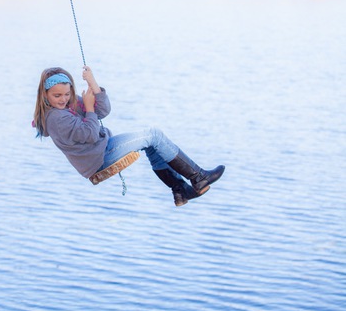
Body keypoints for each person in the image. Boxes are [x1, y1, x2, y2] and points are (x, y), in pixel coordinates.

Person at [33, 66, 225, 206]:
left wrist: (93, 84)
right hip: (100, 158)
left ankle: (180, 190)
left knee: (152, 144)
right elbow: (89, 135)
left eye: (67, 94)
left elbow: (103, 111)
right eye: (57, 96)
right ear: (45, 95)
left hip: (101, 150)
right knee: (153, 135)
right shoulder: (56, 117)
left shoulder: (69, 105)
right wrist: (89, 108)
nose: (64, 99)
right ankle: (198, 177)